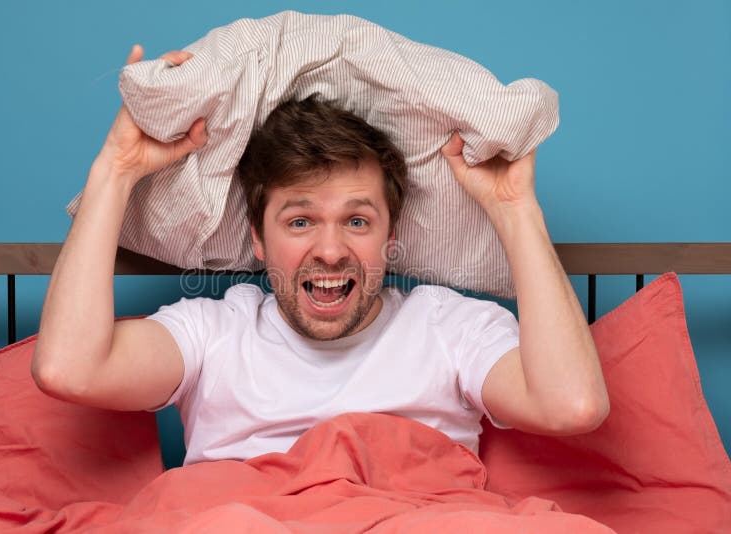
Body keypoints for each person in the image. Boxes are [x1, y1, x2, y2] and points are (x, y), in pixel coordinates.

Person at [32, 45, 609, 465]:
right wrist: (116, 170)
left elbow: (573, 406)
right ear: (257, 239)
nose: (330, 251)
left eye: (357, 221)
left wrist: (514, 207)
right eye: (300, 221)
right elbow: (68, 370)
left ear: (391, 235)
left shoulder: (451, 325)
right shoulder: (213, 331)